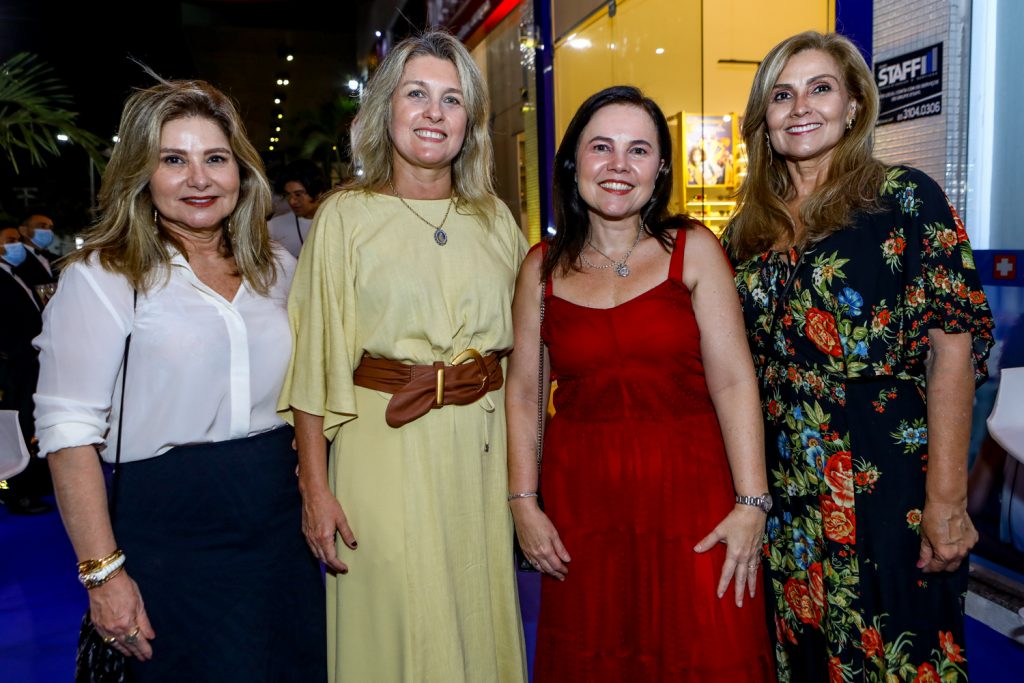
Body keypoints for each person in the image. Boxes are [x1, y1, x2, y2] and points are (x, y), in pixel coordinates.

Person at [34, 78, 326, 681]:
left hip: (280, 526)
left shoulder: (279, 270)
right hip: (170, 532)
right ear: (143, 173)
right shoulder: (104, 277)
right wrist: (104, 575)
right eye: (174, 160)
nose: (199, 178)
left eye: (215, 158)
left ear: (241, 173)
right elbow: (67, 433)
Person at [726, 31, 994, 681]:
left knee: (901, 644)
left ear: (853, 105)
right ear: (764, 118)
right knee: (806, 646)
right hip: (789, 483)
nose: (800, 107)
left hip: (889, 474)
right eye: (781, 95)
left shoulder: (905, 198)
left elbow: (952, 353)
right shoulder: (746, 230)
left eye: (820, 89)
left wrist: (948, 499)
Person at [278, 31, 527, 682]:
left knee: (474, 609)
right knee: (392, 616)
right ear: (386, 109)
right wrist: (315, 488)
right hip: (381, 448)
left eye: (451, 99)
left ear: (469, 122)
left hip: (479, 451)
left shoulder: (496, 219)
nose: (433, 112)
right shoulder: (345, 217)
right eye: (416, 94)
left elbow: (528, 354)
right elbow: (313, 362)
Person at [506, 85, 775, 681]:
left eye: (638, 150)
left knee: (710, 651)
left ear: (660, 169)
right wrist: (523, 503)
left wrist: (752, 502)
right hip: (585, 512)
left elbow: (734, 381)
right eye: (601, 147)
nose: (619, 166)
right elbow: (524, 392)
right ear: (574, 162)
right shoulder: (540, 268)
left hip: (696, 502)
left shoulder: (695, 250)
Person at [0, 227, 52, 515]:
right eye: (9, 241)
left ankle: (27, 485)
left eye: (17, 240)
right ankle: (11, 492)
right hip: (12, 369)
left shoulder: (14, 274)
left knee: (26, 428)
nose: (17, 245)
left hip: (27, 364)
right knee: (13, 432)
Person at [267, 160, 329, 258]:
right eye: (287, 195)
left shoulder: (335, 222)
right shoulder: (274, 226)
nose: (292, 201)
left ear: (318, 192)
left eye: (298, 194)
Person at [14, 213, 58, 286]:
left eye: (50, 228)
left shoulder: (57, 259)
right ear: (23, 231)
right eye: (42, 226)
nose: (48, 231)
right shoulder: (16, 260)